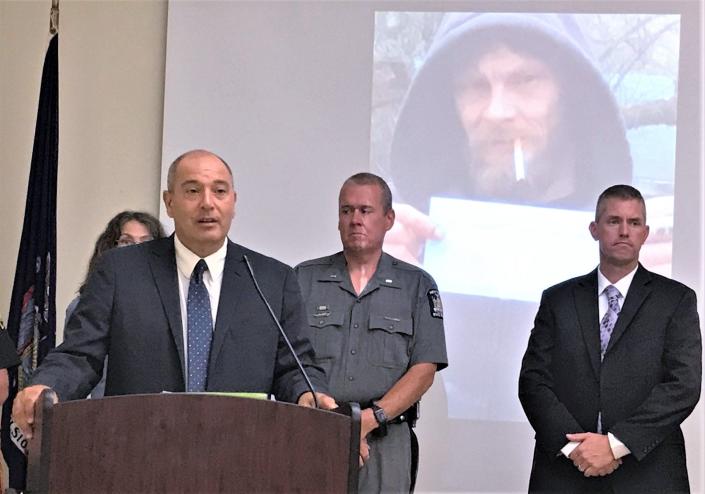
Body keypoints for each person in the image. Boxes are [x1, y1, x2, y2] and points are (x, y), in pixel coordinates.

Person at [13, 149, 334, 439]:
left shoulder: (272, 279)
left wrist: (309, 393)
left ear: (233, 201)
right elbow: (80, 354)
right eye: (193, 190)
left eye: (219, 191)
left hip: (239, 455)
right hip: (138, 452)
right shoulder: (121, 271)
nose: (207, 202)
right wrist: (45, 385)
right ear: (169, 202)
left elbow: (294, 367)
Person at [384, 12, 632, 263]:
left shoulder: (633, 237)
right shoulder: (401, 234)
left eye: (526, 80)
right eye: (475, 84)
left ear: (573, 94)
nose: (497, 112)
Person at [518, 184, 701, 493]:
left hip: (649, 474)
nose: (624, 231)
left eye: (634, 223)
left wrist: (616, 444)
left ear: (645, 232)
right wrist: (576, 448)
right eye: (614, 221)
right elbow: (533, 381)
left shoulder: (676, 300)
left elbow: (682, 385)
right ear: (594, 229)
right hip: (565, 472)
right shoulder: (558, 299)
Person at [295, 173, 448, 493]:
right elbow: (288, 358)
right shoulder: (303, 279)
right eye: (346, 211)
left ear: (389, 218)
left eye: (365, 211)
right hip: (316, 432)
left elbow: (424, 369)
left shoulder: (417, 285)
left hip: (385, 437)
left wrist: (371, 418)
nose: (355, 220)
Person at [65, 210, 166, 398]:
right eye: (126, 241)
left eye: (146, 242)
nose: (136, 249)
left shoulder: (172, 307)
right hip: (102, 415)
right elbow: (77, 368)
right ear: (110, 248)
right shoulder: (82, 305)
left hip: (158, 412)